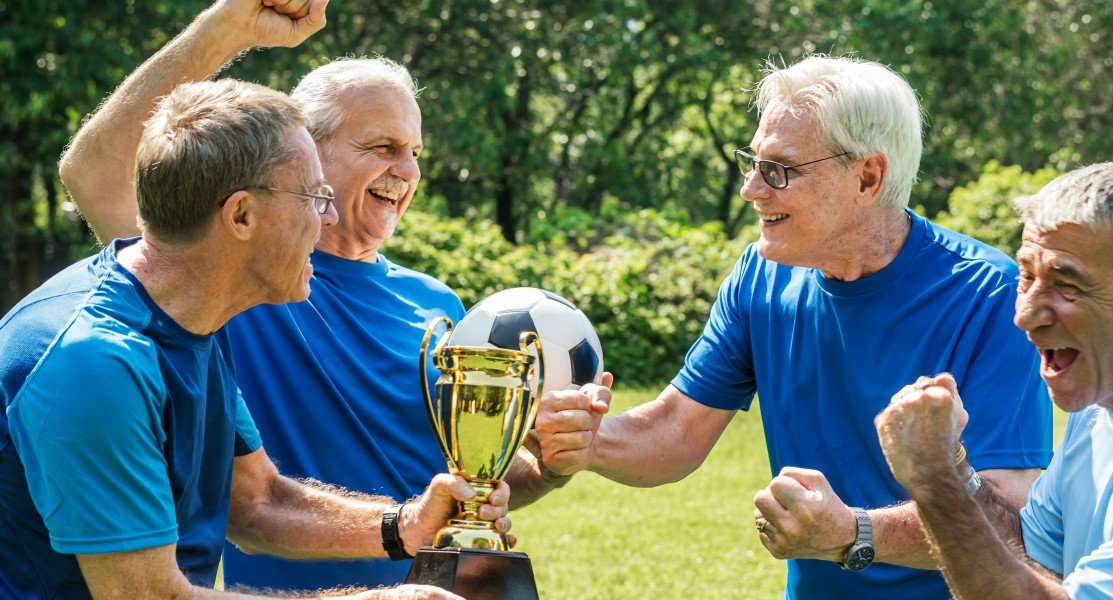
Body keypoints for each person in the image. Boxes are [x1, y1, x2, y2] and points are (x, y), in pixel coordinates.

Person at [59, 0, 609, 592]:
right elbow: (94, 174)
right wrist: (231, 27)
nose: (407, 171)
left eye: (415, 152)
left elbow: (460, 492)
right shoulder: (239, 268)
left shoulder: (439, 305)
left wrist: (546, 464)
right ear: (307, 150)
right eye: (382, 147)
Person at [535, 55, 1053, 599]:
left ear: (868, 176)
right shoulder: (761, 276)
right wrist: (586, 439)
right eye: (752, 163)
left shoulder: (990, 295)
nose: (751, 190)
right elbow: (676, 431)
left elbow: (1008, 519)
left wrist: (853, 533)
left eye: (780, 169)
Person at [0, 77, 510, 600]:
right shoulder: (94, 363)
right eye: (315, 197)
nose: (328, 217)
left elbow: (256, 500)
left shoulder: (196, 316)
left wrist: (405, 525)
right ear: (241, 214)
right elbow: (148, 596)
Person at [877, 162, 1113, 599]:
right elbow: (1032, 552)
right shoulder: (1103, 403)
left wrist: (934, 480)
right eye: (1027, 276)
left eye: (1067, 286)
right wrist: (953, 465)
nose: (1024, 315)